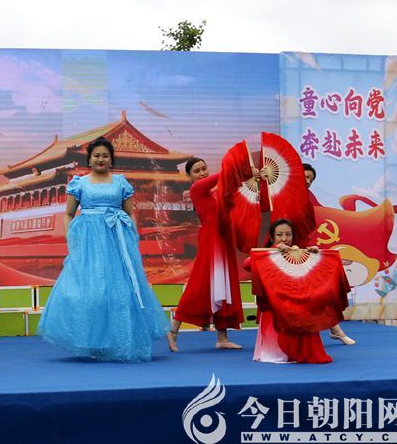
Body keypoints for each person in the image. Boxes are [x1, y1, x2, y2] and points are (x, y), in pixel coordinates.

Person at [37, 137, 168, 362]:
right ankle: (93, 342)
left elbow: (130, 213)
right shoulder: (79, 183)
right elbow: (68, 214)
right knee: (92, 292)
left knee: (121, 292)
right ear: (89, 159)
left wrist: (132, 237)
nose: (101, 159)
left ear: (111, 159)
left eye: (105, 155)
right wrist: (72, 238)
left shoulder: (121, 183)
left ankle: (121, 342)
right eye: (96, 155)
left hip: (117, 241)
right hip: (89, 242)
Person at [167, 157, 246, 352]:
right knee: (199, 284)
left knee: (224, 286)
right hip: (211, 241)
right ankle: (173, 329)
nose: (202, 172)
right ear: (189, 176)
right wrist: (234, 169)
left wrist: (250, 176)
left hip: (223, 240)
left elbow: (232, 190)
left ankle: (222, 338)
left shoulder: (215, 194)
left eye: (204, 168)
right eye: (197, 171)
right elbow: (223, 177)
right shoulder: (196, 190)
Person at [250, 219, 342, 364]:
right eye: (279, 235)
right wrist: (274, 250)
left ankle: (303, 350)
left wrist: (315, 256)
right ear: (272, 238)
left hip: (295, 302)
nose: (284, 238)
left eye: (288, 234)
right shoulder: (267, 254)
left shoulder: (298, 252)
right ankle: (281, 351)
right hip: (275, 304)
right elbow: (247, 264)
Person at [302, 162, 355, 345]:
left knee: (319, 290)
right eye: (305, 176)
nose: (307, 181)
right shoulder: (283, 194)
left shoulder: (309, 198)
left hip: (304, 250)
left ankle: (335, 328)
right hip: (283, 249)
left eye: (310, 179)